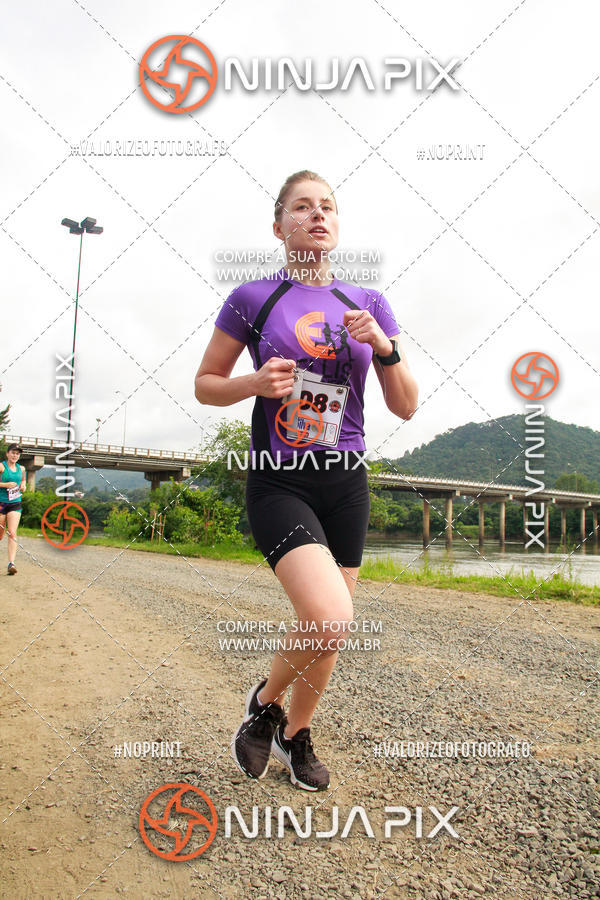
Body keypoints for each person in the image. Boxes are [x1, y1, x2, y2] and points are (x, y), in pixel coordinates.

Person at [195, 170, 418, 791]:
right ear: (279, 225)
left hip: (345, 477)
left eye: (328, 207)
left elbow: (406, 406)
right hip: (279, 478)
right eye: (302, 207)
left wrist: (387, 348)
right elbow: (205, 383)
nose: (317, 216)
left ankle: (294, 735)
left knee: (333, 625)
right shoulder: (253, 297)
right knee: (327, 615)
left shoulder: (368, 303)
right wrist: (253, 383)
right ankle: (263, 705)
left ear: (337, 225)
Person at [0, 444, 26, 575]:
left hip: (15, 503)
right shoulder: (1, 466)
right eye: (13, 452)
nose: (15, 455)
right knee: (0, 534)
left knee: (12, 532)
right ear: (7, 454)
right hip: (1, 503)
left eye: (17, 453)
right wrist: (5, 485)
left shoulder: (21, 468)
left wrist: (23, 486)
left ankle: (11, 563)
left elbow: (23, 481)